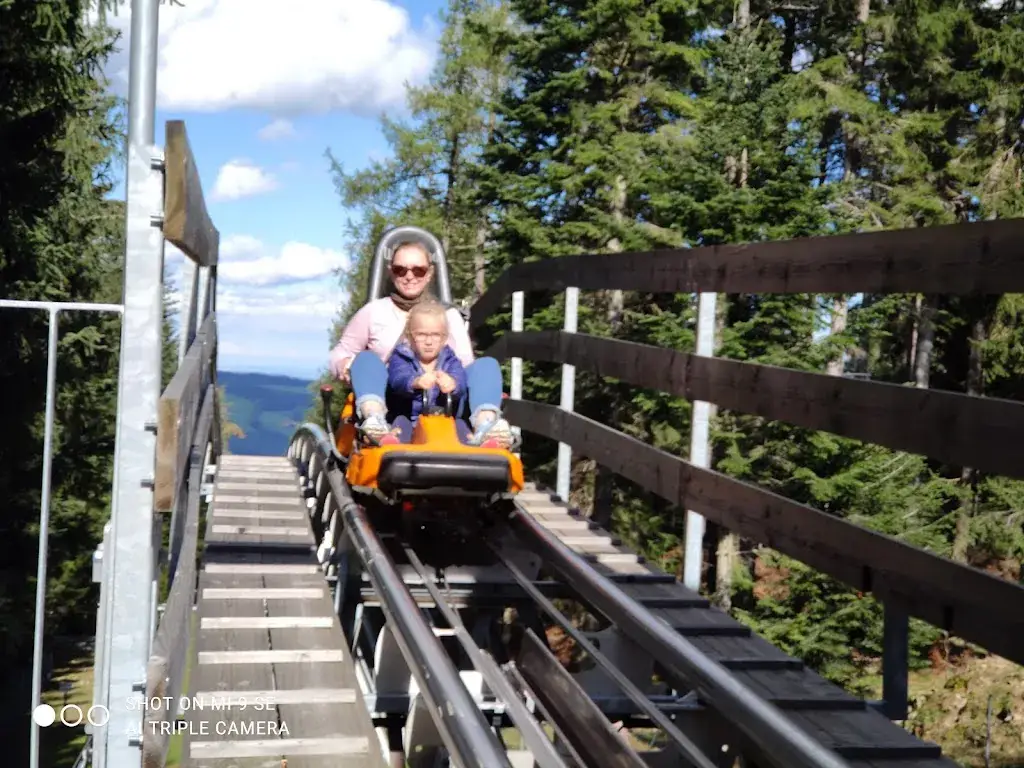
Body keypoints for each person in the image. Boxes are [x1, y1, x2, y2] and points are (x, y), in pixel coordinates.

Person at [328, 238, 512, 447]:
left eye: (418, 270)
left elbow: (465, 365)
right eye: (400, 270)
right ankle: (374, 420)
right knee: (366, 359)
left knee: (486, 365)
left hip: (443, 402)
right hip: (394, 398)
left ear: (429, 273)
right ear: (391, 272)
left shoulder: (449, 315)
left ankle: (486, 425)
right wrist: (344, 365)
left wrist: (450, 381)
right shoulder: (374, 312)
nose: (409, 276)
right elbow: (340, 353)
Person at [386, 300, 507, 446]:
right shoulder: (402, 356)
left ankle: (481, 442)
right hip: (410, 418)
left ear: (444, 338)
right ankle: (391, 443)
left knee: (461, 426)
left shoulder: (450, 359)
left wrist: (453, 383)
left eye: (436, 335)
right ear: (410, 336)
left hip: (446, 420)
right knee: (400, 424)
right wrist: (414, 382)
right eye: (421, 335)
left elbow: (461, 379)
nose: (429, 341)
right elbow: (397, 378)